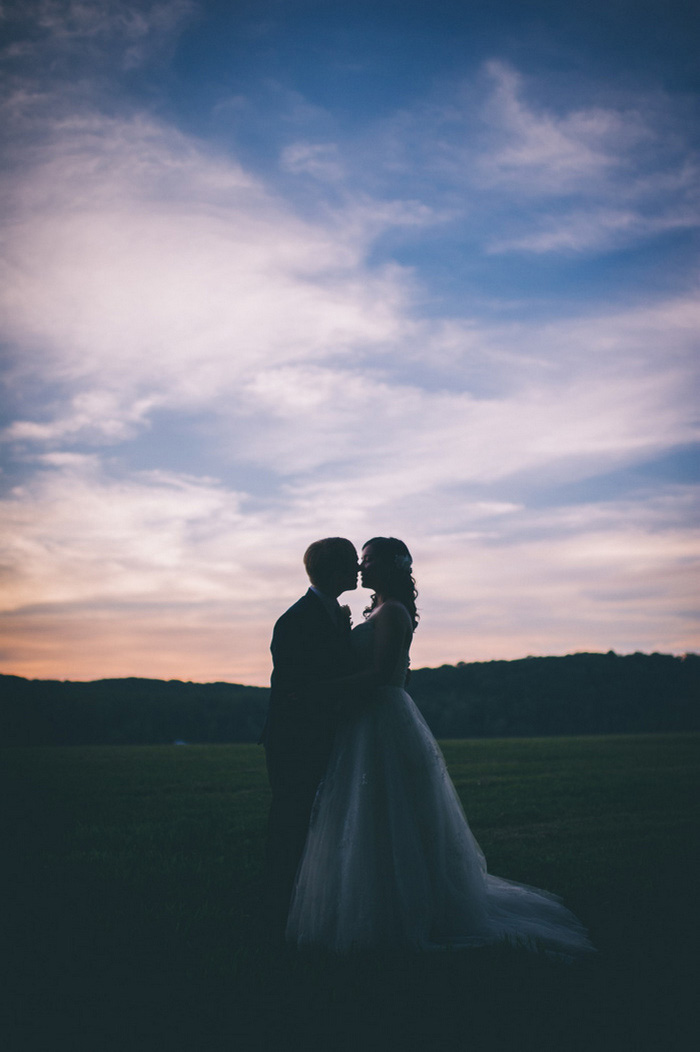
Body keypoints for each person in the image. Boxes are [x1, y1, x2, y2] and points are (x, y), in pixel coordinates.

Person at [285, 537, 594, 956]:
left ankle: (403, 909)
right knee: (366, 814)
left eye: (369, 559)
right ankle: (369, 899)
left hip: (382, 721)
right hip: (363, 722)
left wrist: (320, 691)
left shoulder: (392, 612)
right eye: (361, 559)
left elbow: (381, 675)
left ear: (390, 566)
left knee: (389, 813)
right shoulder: (378, 610)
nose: (361, 565)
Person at [262, 537, 359, 929]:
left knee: (319, 823)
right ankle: (276, 908)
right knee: (291, 823)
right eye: (352, 563)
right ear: (334, 569)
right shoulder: (296, 620)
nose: (358, 570)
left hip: (325, 736)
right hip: (296, 740)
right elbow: (297, 689)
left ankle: (311, 899)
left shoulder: (331, 613)